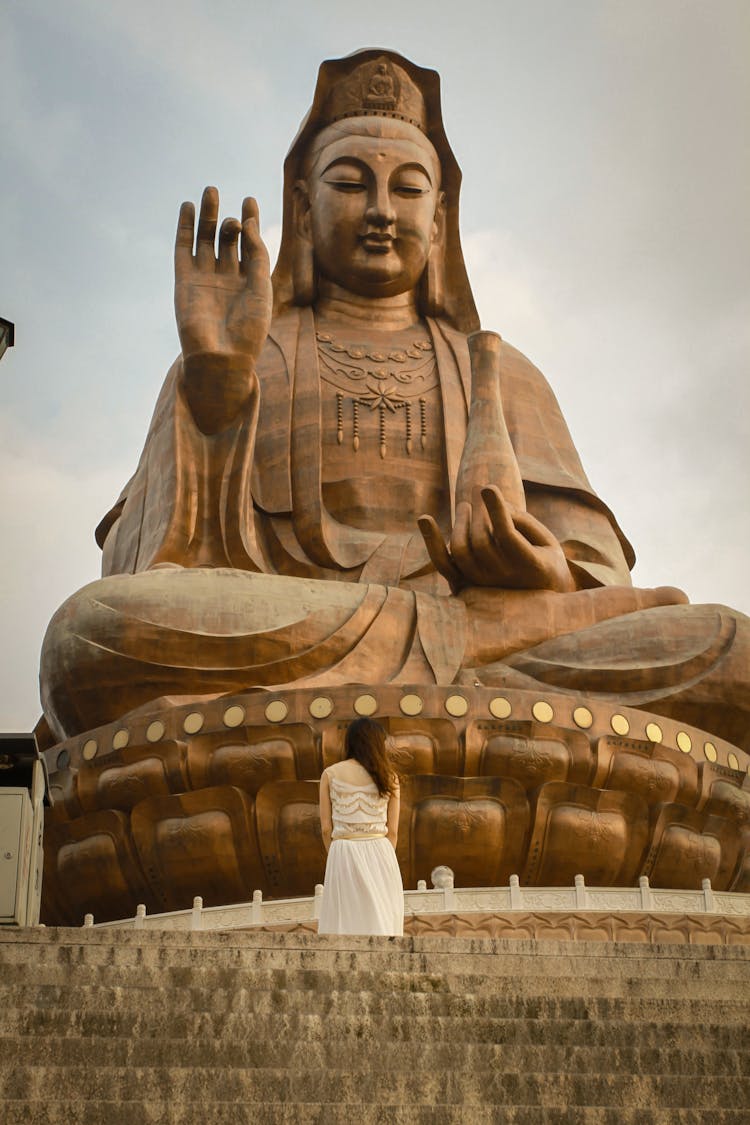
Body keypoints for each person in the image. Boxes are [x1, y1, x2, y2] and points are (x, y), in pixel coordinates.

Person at [39, 49, 750, 752]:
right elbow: (147, 569)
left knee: (729, 648)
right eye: (350, 184)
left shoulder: (504, 375)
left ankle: (466, 648)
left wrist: (547, 570)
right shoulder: (242, 352)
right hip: (309, 627)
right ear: (303, 208)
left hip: (479, 646)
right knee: (89, 634)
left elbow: (600, 575)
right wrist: (216, 388)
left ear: (439, 219)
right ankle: (466, 652)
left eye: (407, 190)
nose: (381, 211)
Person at [317, 718, 403, 936]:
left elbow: (326, 828)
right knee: (381, 920)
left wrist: (337, 852)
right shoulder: (389, 777)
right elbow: (392, 831)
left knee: (345, 921)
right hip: (381, 850)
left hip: (343, 849)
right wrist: (382, 855)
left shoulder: (330, 773)